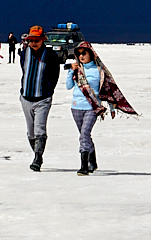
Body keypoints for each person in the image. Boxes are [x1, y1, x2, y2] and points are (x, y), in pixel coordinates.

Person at [64, 41, 140, 174]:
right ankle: (92, 160)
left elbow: (108, 88)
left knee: (84, 134)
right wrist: (71, 71)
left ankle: (84, 166)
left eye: (84, 53)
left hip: (93, 107)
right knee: (84, 136)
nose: (81, 56)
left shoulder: (99, 70)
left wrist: (112, 106)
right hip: (76, 107)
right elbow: (69, 86)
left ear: (91, 54)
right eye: (79, 54)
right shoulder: (78, 69)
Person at [16, 25, 60, 171]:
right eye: (31, 40)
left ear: (42, 40)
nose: (34, 43)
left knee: (39, 129)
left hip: (43, 99)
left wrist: (48, 91)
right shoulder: (24, 54)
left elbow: (55, 75)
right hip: (26, 98)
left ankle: (38, 158)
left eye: (37, 40)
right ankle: (36, 153)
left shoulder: (50, 55)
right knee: (30, 131)